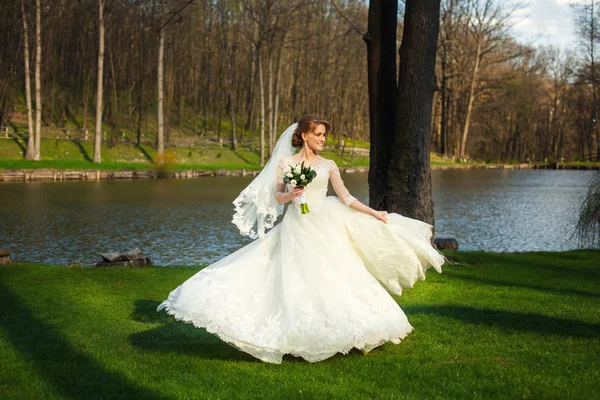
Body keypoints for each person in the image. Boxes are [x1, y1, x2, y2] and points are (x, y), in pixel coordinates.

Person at [157, 115, 445, 364]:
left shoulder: (329, 164)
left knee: (335, 276)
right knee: (294, 276)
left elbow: (344, 197)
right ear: (304, 136)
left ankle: (344, 330)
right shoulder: (287, 164)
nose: (323, 140)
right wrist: (293, 194)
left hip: (325, 223)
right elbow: (278, 197)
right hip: (296, 225)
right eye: (318, 135)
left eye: (324, 136)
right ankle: (294, 334)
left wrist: (373, 212)